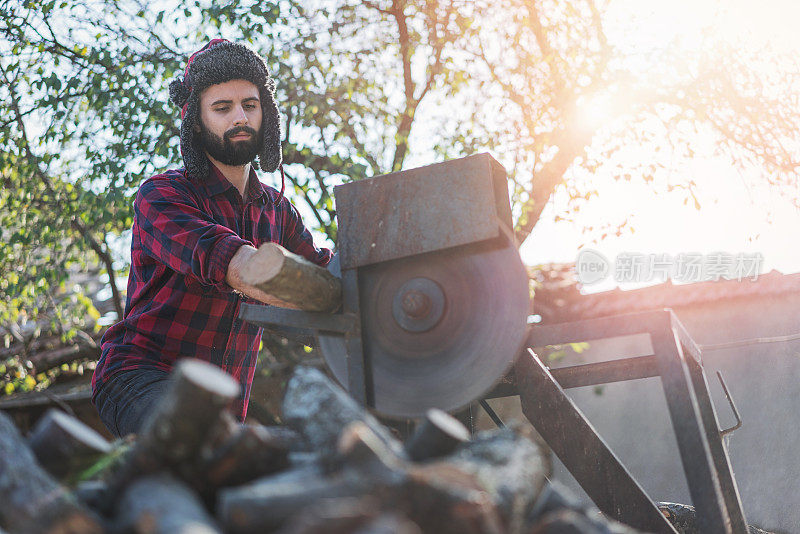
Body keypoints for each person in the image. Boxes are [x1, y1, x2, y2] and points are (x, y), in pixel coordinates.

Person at [91, 39, 332, 437]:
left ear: (266, 115)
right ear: (196, 122)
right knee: (192, 442)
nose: (240, 117)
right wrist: (311, 289)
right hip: (139, 376)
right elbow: (229, 262)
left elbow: (328, 278)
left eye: (250, 105)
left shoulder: (278, 211)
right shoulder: (162, 195)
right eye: (222, 108)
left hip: (223, 406)